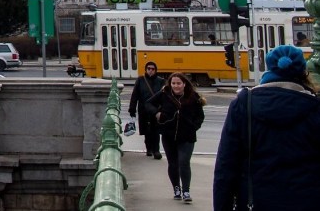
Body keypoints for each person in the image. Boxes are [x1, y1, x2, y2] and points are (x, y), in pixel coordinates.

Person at [213, 44, 320, 211]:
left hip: (255, 202)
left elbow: (226, 165)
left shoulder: (244, 104)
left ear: (270, 68)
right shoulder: (314, 107)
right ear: (303, 72)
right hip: (307, 201)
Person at [154, 71, 205, 203]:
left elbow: (200, 116)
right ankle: (176, 188)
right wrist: (157, 114)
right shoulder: (165, 94)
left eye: (178, 83)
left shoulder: (193, 97)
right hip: (168, 135)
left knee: (184, 162)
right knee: (173, 163)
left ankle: (186, 191)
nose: (176, 86)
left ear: (184, 84)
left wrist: (194, 127)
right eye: (173, 83)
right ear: (170, 84)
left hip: (187, 136)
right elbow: (148, 104)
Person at [127, 61, 164, 160]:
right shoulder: (140, 80)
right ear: (146, 70)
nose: (151, 71)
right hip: (144, 110)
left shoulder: (160, 81)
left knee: (155, 131)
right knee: (147, 131)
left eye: (153, 69)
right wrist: (132, 109)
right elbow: (135, 95)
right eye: (149, 69)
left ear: (156, 70)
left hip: (156, 110)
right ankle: (149, 149)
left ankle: (156, 150)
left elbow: (164, 96)